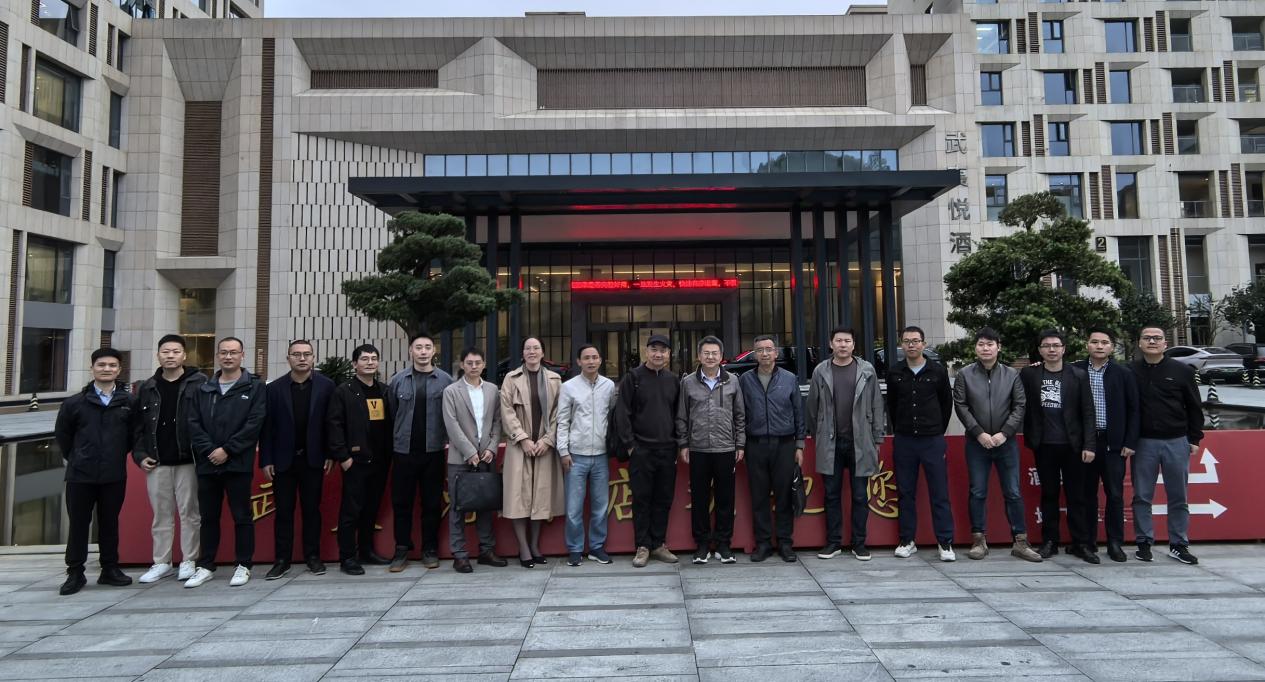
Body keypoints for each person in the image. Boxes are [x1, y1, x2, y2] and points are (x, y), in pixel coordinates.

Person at [952, 327, 1041, 562]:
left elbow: (1019, 406)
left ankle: (1020, 541)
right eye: (981, 344)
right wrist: (979, 433)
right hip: (976, 443)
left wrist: (1005, 433)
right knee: (977, 491)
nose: (986, 348)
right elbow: (961, 405)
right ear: (975, 348)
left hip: (1006, 442)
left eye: (990, 344)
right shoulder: (965, 374)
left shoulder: (1012, 374)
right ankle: (978, 540)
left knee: (1013, 491)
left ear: (998, 347)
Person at [184, 337, 267, 588]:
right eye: (224, 352)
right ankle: (206, 565)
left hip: (237, 463)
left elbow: (254, 423)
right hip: (208, 463)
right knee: (208, 517)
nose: (228, 357)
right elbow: (193, 424)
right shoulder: (203, 389)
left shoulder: (254, 387)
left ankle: (243, 564)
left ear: (242, 355)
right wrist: (211, 450)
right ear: (218, 356)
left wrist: (228, 450)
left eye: (233, 352)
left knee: (242, 515)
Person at [54, 348, 137, 596]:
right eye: (101, 365)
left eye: (112, 365)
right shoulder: (74, 403)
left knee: (110, 523)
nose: (106, 369)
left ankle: (109, 568)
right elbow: (63, 437)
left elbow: (133, 436)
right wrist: (79, 456)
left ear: (119, 370)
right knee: (79, 524)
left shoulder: (128, 402)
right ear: (92, 368)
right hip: (80, 475)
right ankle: (75, 572)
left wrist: (114, 454)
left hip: (113, 474)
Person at [132, 334, 208, 584]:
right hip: (157, 461)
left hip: (188, 460)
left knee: (190, 513)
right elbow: (138, 427)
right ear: (158, 355)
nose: (170, 356)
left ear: (184, 355)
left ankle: (189, 560)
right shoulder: (147, 387)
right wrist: (140, 455)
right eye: (165, 351)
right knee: (161, 515)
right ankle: (161, 562)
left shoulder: (199, 383)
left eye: (176, 351)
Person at [1019, 329, 1097, 563]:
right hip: (1044, 445)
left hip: (1073, 445)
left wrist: (1089, 444)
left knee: (1077, 496)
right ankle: (1050, 541)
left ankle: (1080, 543)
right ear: (1040, 350)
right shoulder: (1030, 374)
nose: (1051, 349)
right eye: (1046, 346)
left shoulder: (1078, 375)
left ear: (1064, 349)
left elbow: (1088, 411)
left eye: (1056, 345)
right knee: (1049, 494)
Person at [807, 327, 885, 562]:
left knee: (860, 495)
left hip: (860, 442)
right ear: (831, 344)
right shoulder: (821, 370)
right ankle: (833, 542)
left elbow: (877, 405)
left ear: (853, 345)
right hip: (830, 442)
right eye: (838, 341)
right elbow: (812, 408)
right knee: (831, 495)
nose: (843, 345)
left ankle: (859, 543)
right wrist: (819, 435)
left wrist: (877, 437)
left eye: (847, 341)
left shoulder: (866, 370)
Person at [260, 340, 335, 579]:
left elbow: (332, 424)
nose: (302, 358)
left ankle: (313, 557)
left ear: (313, 358)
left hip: (314, 459)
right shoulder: (274, 389)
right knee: (284, 512)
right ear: (288, 358)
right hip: (283, 461)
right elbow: (267, 427)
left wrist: (330, 453)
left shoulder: (326, 386)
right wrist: (266, 459)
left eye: (307, 354)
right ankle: (282, 560)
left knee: (312, 510)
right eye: (296, 354)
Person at [1130, 326, 1203, 565]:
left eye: (1157, 338)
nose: (1152, 341)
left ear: (1165, 343)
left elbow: (1194, 406)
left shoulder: (1182, 371)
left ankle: (1179, 544)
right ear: (1139, 343)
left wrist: (1194, 438)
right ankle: (1143, 543)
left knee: (1178, 496)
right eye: (1147, 338)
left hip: (1176, 441)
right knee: (1142, 495)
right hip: (1143, 442)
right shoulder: (1129, 371)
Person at [885, 326, 956, 562]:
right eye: (907, 341)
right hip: (905, 440)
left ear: (923, 344)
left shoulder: (937, 371)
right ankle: (907, 540)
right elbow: (892, 405)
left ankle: (945, 542)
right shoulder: (895, 372)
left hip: (932, 440)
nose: (911, 345)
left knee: (939, 493)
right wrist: (901, 428)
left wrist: (936, 430)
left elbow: (946, 404)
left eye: (915, 341)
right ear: (901, 345)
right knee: (905, 492)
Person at [386, 333, 453, 572]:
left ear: (433, 351)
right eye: (418, 347)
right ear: (411, 351)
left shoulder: (445, 380)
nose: (423, 352)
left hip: (433, 451)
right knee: (401, 503)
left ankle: (430, 549)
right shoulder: (398, 381)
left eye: (427, 347)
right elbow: (392, 414)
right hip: (403, 452)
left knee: (432, 504)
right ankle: (401, 549)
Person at [677, 336, 746, 564]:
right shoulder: (688, 382)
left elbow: (740, 415)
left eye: (714, 353)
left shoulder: (733, 381)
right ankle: (702, 545)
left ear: (721, 356)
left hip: (726, 448)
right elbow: (681, 416)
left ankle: (724, 544)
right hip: (698, 448)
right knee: (700, 499)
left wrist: (740, 444)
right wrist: (684, 444)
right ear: (699, 356)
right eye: (706, 353)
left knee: (726, 499)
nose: (710, 357)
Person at [1072, 328, 1139, 563]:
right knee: (1086, 494)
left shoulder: (1123, 373)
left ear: (1111, 347)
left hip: (1114, 444)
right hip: (1085, 444)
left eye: (1104, 342)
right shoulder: (1075, 370)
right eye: (1094, 342)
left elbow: (1134, 409)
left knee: (1115, 494)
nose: (1099, 346)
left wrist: (1130, 441)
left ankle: (1115, 543)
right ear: (1087, 345)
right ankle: (1087, 543)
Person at [327, 344, 395, 575]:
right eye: (365, 359)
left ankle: (366, 551)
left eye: (374, 358)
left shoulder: (384, 390)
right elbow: (334, 425)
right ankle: (347, 557)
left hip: (380, 460)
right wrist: (343, 457)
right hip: (355, 461)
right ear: (355, 363)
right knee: (351, 511)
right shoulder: (344, 391)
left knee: (371, 508)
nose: (370, 362)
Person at [616, 334, 681, 568]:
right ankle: (642, 546)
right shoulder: (633, 378)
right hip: (641, 450)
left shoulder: (673, 380)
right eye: (654, 349)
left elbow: (678, 414)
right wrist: (631, 445)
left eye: (663, 350)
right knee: (642, 500)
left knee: (663, 499)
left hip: (667, 450)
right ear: (646, 352)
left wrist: (678, 444)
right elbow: (622, 413)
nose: (658, 354)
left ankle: (658, 544)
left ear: (669, 354)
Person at [738, 335, 805, 563]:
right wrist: (741, 444)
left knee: (784, 496)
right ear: (754, 354)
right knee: (759, 497)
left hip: (784, 444)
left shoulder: (789, 378)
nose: (764, 354)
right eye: (760, 350)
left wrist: (799, 444)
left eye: (768, 349)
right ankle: (763, 543)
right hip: (755, 444)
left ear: (776, 353)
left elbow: (798, 412)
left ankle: (785, 543)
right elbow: (740, 414)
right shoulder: (745, 380)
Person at [500, 337, 565, 568]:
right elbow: (506, 411)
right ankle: (524, 548)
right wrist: (523, 438)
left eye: (536, 348)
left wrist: (548, 439)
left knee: (541, 497)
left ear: (543, 353)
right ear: (522, 353)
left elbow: (560, 413)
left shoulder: (555, 379)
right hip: (520, 447)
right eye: (527, 348)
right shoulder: (511, 378)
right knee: (518, 497)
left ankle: (535, 545)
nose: (532, 351)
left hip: (545, 447)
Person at [441, 348, 508, 573]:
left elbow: (498, 421)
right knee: (458, 507)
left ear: (484, 364)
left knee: (485, 504)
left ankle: (486, 550)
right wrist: (470, 452)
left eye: (478, 362)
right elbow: (451, 425)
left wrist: (491, 448)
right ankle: (459, 554)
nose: (473, 366)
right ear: (462, 365)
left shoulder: (492, 389)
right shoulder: (451, 391)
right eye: (469, 363)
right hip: (460, 458)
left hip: (486, 457)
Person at [556, 343, 616, 566]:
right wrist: (563, 450)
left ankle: (597, 547)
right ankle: (575, 549)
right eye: (586, 358)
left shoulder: (609, 386)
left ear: (600, 360)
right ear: (579, 361)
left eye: (595, 357)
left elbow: (612, 416)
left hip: (601, 455)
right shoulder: (568, 387)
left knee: (600, 506)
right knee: (574, 508)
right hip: (576, 456)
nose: (591, 361)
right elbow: (562, 421)